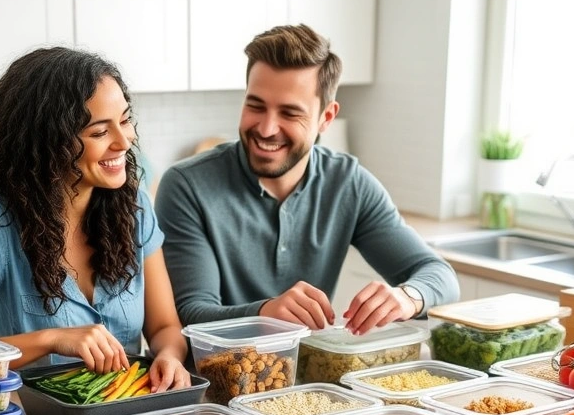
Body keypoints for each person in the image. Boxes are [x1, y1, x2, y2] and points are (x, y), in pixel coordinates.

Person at [0, 47, 190, 393]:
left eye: (124, 120)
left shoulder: (134, 206)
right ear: (49, 143)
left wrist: (169, 355)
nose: (124, 141)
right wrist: (51, 338)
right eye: (99, 132)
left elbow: (165, 325)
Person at [155, 24, 459, 335]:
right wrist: (264, 313)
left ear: (326, 118)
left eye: (289, 113)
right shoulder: (186, 186)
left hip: (308, 375)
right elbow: (190, 313)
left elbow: (440, 275)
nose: (267, 128)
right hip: (215, 378)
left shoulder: (348, 183)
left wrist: (406, 297)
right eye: (255, 105)